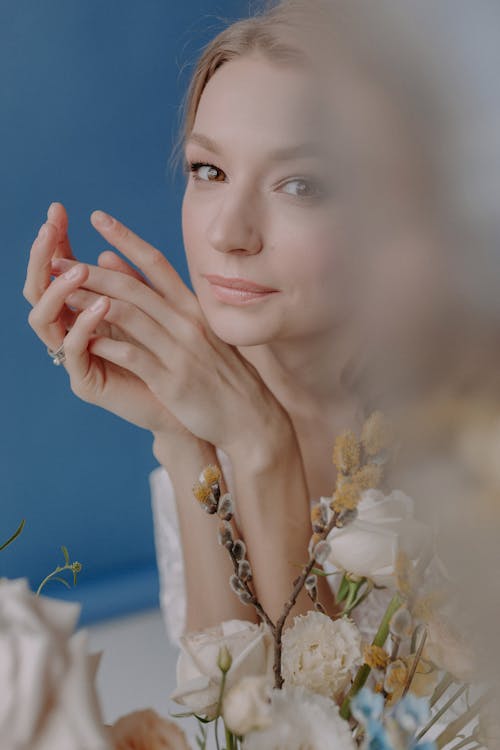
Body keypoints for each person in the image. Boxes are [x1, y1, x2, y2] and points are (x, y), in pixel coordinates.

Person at [23, 0, 450, 646]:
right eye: (209, 170)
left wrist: (262, 448)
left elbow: (364, 732)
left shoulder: (466, 438)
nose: (227, 232)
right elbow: (233, 724)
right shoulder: (203, 404)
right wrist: (183, 437)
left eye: (301, 185)